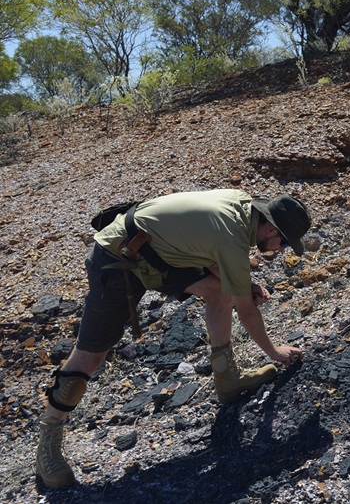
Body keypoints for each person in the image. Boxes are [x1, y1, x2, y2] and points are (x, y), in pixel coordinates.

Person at [35, 189, 312, 489]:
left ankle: (227, 379)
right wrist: (274, 352)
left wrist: (241, 282)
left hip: (158, 252)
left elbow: (209, 250)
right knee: (90, 356)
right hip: (118, 255)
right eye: (283, 242)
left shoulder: (241, 207)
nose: (281, 250)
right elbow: (246, 309)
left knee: (221, 289)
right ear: (270, 228)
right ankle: (47, 446)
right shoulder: (232, 236)